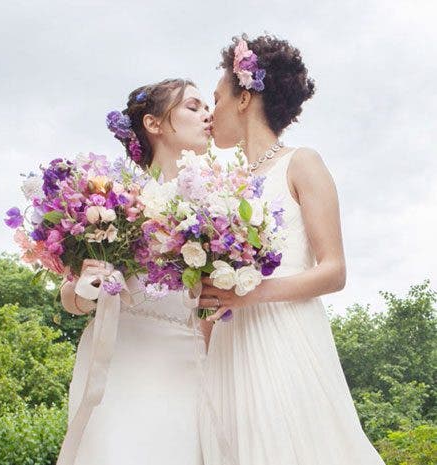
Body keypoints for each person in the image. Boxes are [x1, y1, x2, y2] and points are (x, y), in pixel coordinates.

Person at [197, 34, 386, 464]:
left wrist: (252, 293)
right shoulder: (222, 186)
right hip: (229, 348)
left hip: (284, 338)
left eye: (217, 97)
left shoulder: (302, 162)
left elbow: (334, 271)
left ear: (244, 97)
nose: (212, 112)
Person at [58, 78, 212, 465]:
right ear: (154, 123)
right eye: (193, 107)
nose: (207, 114)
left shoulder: (221, 203)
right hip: (122, 354)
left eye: (207, 107)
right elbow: (71, 299)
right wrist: (87, 285)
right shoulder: (113, 196)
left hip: (190, 359)